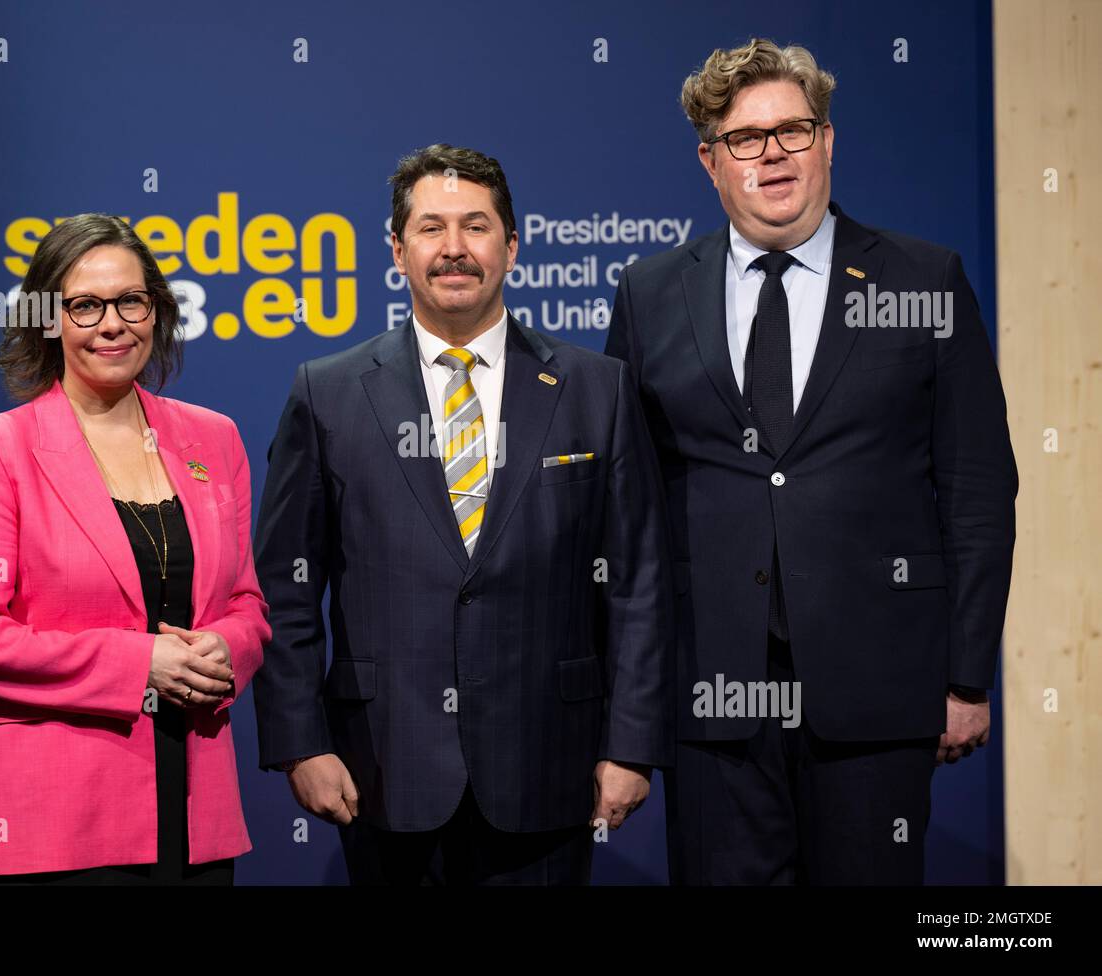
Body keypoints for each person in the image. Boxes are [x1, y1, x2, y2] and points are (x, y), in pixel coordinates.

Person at [604, 38, 1017, 884]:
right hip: (713, 704)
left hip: (881, 701)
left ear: (827, 142)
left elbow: (978, 489)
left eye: (794, 130)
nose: (774, 154)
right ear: (710, 161)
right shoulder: (649, 295)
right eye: (747, 138)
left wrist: (967, 680)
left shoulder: (924, 279)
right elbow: (628, 509)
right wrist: (631, 704)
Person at [253, 144, 672, 885]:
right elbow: (285, 592)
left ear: (512, 245)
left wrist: (632, 745)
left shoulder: (597, 391)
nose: (454, 249)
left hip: (552, 767)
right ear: (396, 249)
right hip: (382, 772)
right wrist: (301, 744)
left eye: (476, 227)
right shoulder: (328, 393)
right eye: (430, 228)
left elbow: (639, 585)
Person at [0, 213, 270, 884]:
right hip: (54, 828)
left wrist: (231, 646)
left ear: (157, 311)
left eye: (130, 301)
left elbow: (247, 601)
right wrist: (139, 662)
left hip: (195, 818)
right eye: (84, 305)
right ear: (48, 321)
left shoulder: (215, 439)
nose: (111, 324)